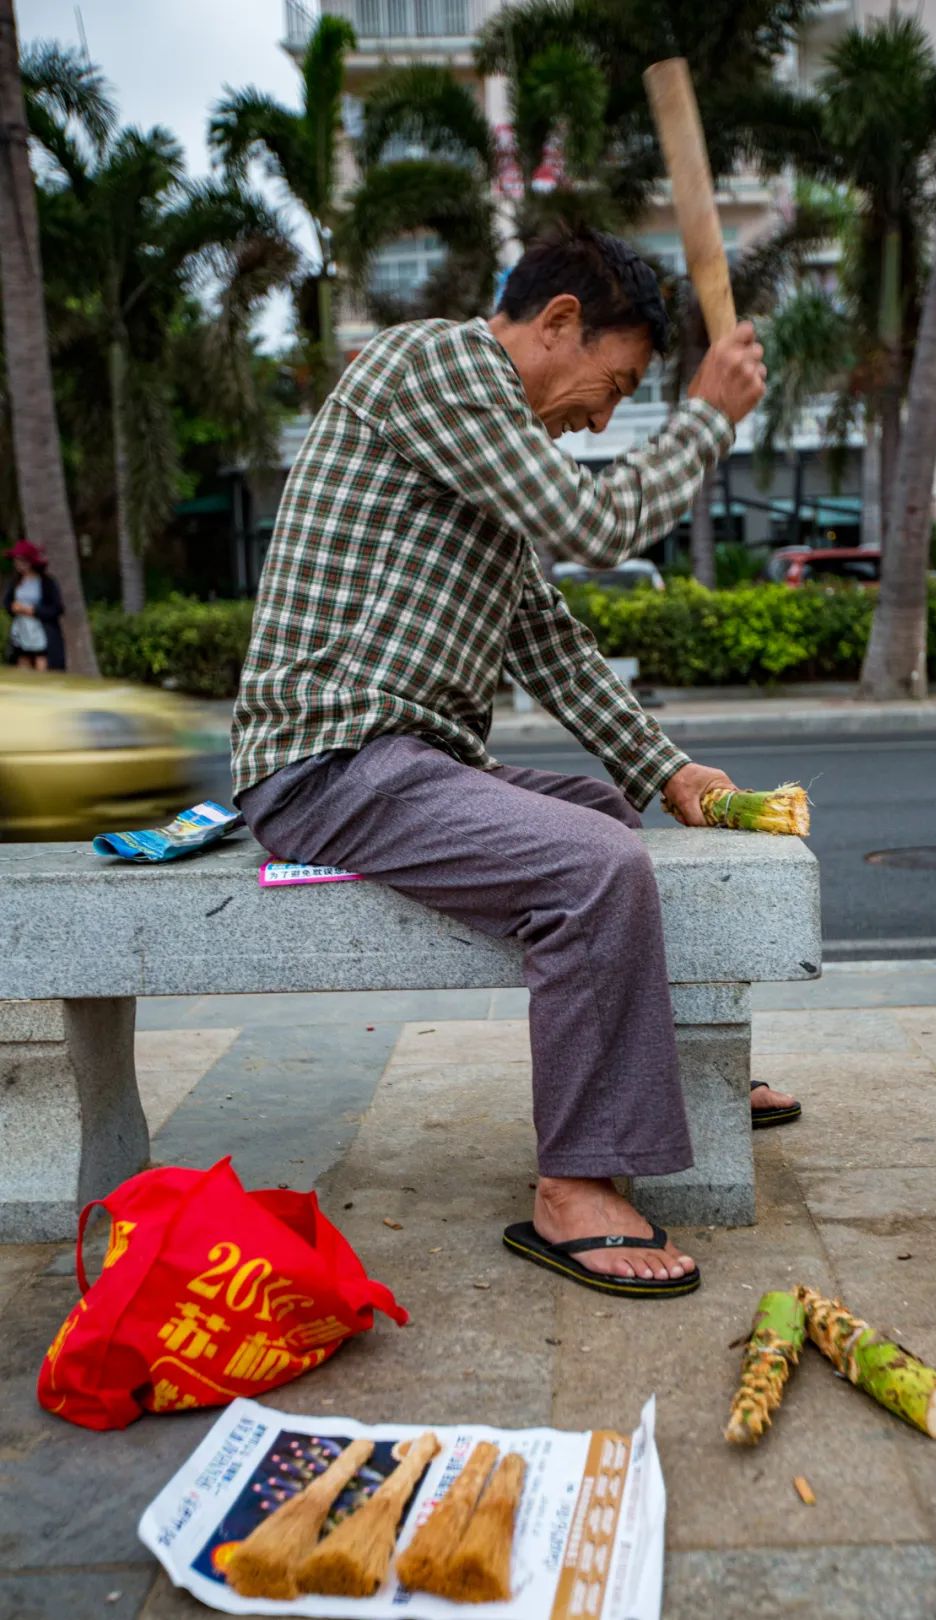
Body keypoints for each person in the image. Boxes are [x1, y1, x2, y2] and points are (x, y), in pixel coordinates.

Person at [232, 228, 798, 1299]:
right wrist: (709, 418)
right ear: (558, 324)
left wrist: (666, 773)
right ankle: (573, 1187)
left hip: (401, 760)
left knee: (600, 813)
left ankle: (652, 1078)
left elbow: (549, 640)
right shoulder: (438, 364)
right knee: (591, 865)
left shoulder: (489, 449)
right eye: (616, 383)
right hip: (329, 761)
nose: (607, 413)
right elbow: (595, 525)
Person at [3, 540, 65, 671]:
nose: (18, 564)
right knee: (22, 659)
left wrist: (34, 611)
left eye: (22, 561)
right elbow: (7, 603)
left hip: (41, 631)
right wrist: (14, 608)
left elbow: (57, 608)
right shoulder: (16, 582)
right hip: (21, 629)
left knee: (41, 660)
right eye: (16, 561)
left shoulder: (46, 583)